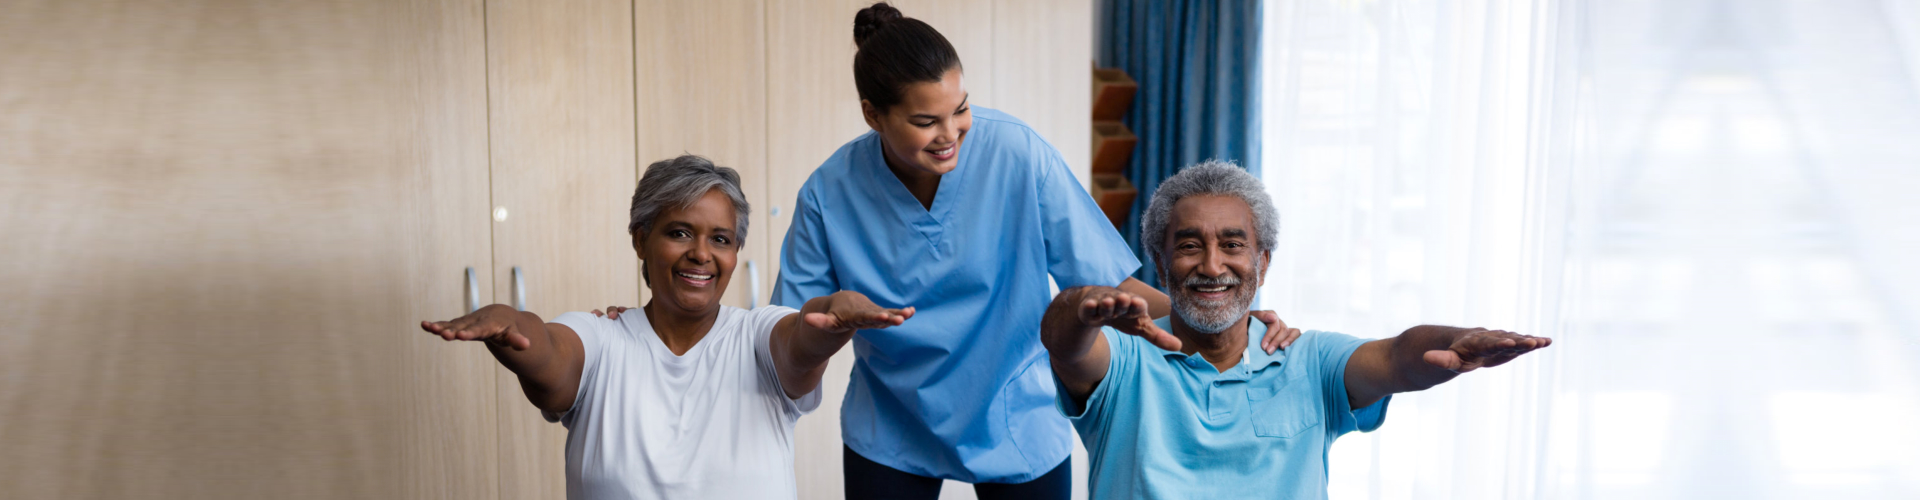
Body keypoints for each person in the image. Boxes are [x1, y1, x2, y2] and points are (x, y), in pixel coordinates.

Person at [1042, 161, 1553, 499]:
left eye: (1234, 245)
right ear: (1160, 263)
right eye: (1190, 245)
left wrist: (1454, 340)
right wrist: (1084, 304)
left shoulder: (1309, 361)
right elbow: (1063, 342)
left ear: (1263, 264)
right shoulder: (1126, 358)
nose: (1212, 265)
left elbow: (1399, 354)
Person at [418, 155, 912, 499]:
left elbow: (800, 343)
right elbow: (548, 353)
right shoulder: (601, 337)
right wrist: (512, 327)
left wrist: (831, 324)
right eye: (679, 233)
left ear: (736, 253)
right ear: (641, 239)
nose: (701, 254)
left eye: (720, 239)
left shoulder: (759, 335)